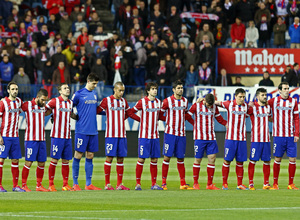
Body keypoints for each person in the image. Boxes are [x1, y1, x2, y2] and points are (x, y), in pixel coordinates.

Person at [97, 82, 140, 190]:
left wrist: (142, 120)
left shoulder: (123, 101)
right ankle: (107, 184)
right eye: (119, 90)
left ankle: (119, 184)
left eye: (123, 91)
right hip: (111, 135)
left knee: (120, 159)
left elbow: (129, 113)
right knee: (109, 157)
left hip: (122, 135)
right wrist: (106, 113)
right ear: (115, 90)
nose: (121, 93)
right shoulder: (107, 100)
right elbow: (97, 111)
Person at [128, 82, 164, 190]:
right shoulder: (142, 102)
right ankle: (138, 184)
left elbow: (161, 116)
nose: (155, 91)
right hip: (144, 136)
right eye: (153, 89)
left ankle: (154, 184)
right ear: (148, 91)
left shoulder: (158, 102)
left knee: (154, 160)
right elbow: (130, 112)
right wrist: (140, 120)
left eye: (156, 89)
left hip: (155, 136)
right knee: (141, 159)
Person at [159, 80, 194, 190]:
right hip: (170, 134)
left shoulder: (185, 101)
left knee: (181, 158)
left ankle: (182, 183)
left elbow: (186, 116)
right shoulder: (167, 101)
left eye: (182, 87)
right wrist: (168, 120)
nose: (181, 89)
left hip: (181, 134)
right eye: (178, 88)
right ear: (173, 89)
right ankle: (164, 183)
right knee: (167, 158)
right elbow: (160, 115)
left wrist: (195, 124)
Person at [187, 94, 227, 190]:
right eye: (208, 105)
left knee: (212, 159)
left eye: (211, 105)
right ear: (204, 101)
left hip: (211, 137)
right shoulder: (196, 105)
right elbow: (187, 116)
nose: (210, 107)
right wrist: (194, 124)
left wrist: (227, 124)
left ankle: (209, 184)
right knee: (198, 159)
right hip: (199, 138)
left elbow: (219, 119)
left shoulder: (214, 107)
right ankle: (195, 183)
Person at [71, 73, 102, 191]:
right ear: (88, 81)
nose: (95, 86)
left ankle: (88, 184)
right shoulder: (78, 94)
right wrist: (75, 117)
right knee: (78, 155)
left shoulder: (94, 94)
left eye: (96, 84)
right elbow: (69, 107)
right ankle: (75, 183)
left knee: (90, 155)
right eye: (94, 83)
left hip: (93, 130)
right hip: (81, 131)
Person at [216, 88, 251, 190]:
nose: (242, 99)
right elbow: (216, 103)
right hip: (231, 138)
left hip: (242, 139)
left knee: (240, 162)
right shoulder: (229, 104)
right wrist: (204, 100)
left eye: (243, 97)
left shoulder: (246, 106)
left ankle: (239, 184)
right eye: (240, 97)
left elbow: (252, 111)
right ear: (235, 96)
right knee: (227, 161)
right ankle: (224, 183)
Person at [46, 84, 77, 191]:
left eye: (68, 88)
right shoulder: (54, 101)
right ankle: (51, 184)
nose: (67, 90)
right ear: (60, 91)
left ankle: (65, 184)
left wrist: (77, 117)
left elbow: (71, 114)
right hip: (57, 136)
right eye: (65, 88)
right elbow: (45, 110)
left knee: (66, 161)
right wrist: (50, 115)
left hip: (67, 136)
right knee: (54, 160)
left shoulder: (70, 103)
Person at [268, 82, 299, 190]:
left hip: (290, 136)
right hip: (278, 135)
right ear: (279, 90)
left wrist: (297, 134)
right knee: (277, 158)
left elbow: (296, 118)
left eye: (288, 88)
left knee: (293, 159)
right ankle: (275, 184)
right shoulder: (274, 101)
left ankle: (291, 183)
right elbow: (262, 106)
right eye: (285, 89)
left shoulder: (294, 101)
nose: (287, 90)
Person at [21, 89, 49, 192]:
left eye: (45, 100)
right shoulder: (28, 105)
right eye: (42, 100)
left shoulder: (43, 107)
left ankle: (39, 186)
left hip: (41, 139)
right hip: (31, 139)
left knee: (42, 162)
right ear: (37, 98)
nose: (44, 102)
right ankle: (24, 185)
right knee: (29, 162)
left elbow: (48, 110)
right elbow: (16, 110)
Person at [0, 82, 25, 192]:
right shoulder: (3, 102)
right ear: (8, 91)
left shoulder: (19, 102)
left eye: (16, 89)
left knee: (15, 160)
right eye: (13, 89)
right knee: (1, 160)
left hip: (15, 136)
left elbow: (25, 109)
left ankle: (15, 186)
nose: (15, 91)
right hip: (5, 136)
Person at [247, 88, 272, 190]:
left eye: (265, 95)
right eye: (262, 95)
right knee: (253, 161)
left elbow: (270, 118)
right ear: (257, 97)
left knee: (267, 161)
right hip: (256, 140)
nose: (265, 97)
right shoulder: (253, 108)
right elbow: (244, 113)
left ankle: (266, 183)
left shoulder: (268, 107)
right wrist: (248, 106)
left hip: (266, 139)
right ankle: (251, 184)